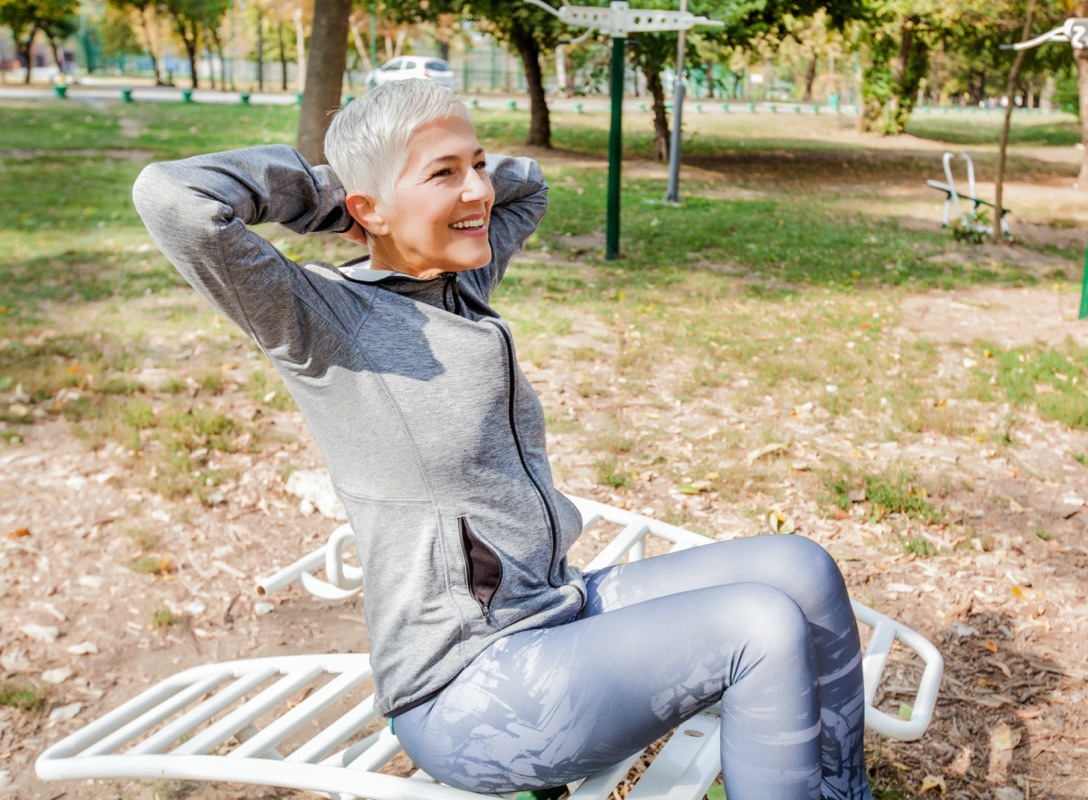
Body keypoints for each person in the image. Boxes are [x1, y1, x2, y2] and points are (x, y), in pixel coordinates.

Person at [132, 80, 870, 800]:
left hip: (554, 609)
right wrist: (348, 197)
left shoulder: (463, 283)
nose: (480, 190)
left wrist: (422, 184)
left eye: (476, 163)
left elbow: (531, 187)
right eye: (445, 173)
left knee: (799, 570)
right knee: (759, 627)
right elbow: (174, 200)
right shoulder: (322, 321)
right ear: (366, 208)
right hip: (465, 689)